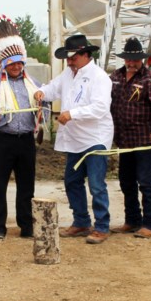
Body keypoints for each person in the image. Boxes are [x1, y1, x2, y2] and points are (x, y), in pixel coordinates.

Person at [0, 17, 47, 241]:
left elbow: (43, 102)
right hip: (2, 139)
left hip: (26, 140)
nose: (17, 67)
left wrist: (43, 105)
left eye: (20, 63)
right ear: (4, 64)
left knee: (26, 184)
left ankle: (26, 225)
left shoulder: (31, 82)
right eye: (12, 63)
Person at [34, 35, 114, 245]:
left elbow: (100, 107)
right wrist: (41, 92)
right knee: (72, 181)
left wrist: (72, 114)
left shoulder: (99, 77)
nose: (69, 61)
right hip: (74, 138)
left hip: (95, 137)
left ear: (85, 54)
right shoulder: (67, 74)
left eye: (73, 57)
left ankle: (102, 226)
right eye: (68, 58)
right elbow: (53, 88)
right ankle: (81, 221)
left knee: (96, 184)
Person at [109, 37, 151, 239]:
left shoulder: (149, 79)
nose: (131, 63)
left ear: (141, 59)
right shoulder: (115, 77)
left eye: (135, 60)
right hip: (124, 140)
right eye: (128, 60)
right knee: (126, 182)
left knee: (145, 182)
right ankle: (132, 220)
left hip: (143, 140)